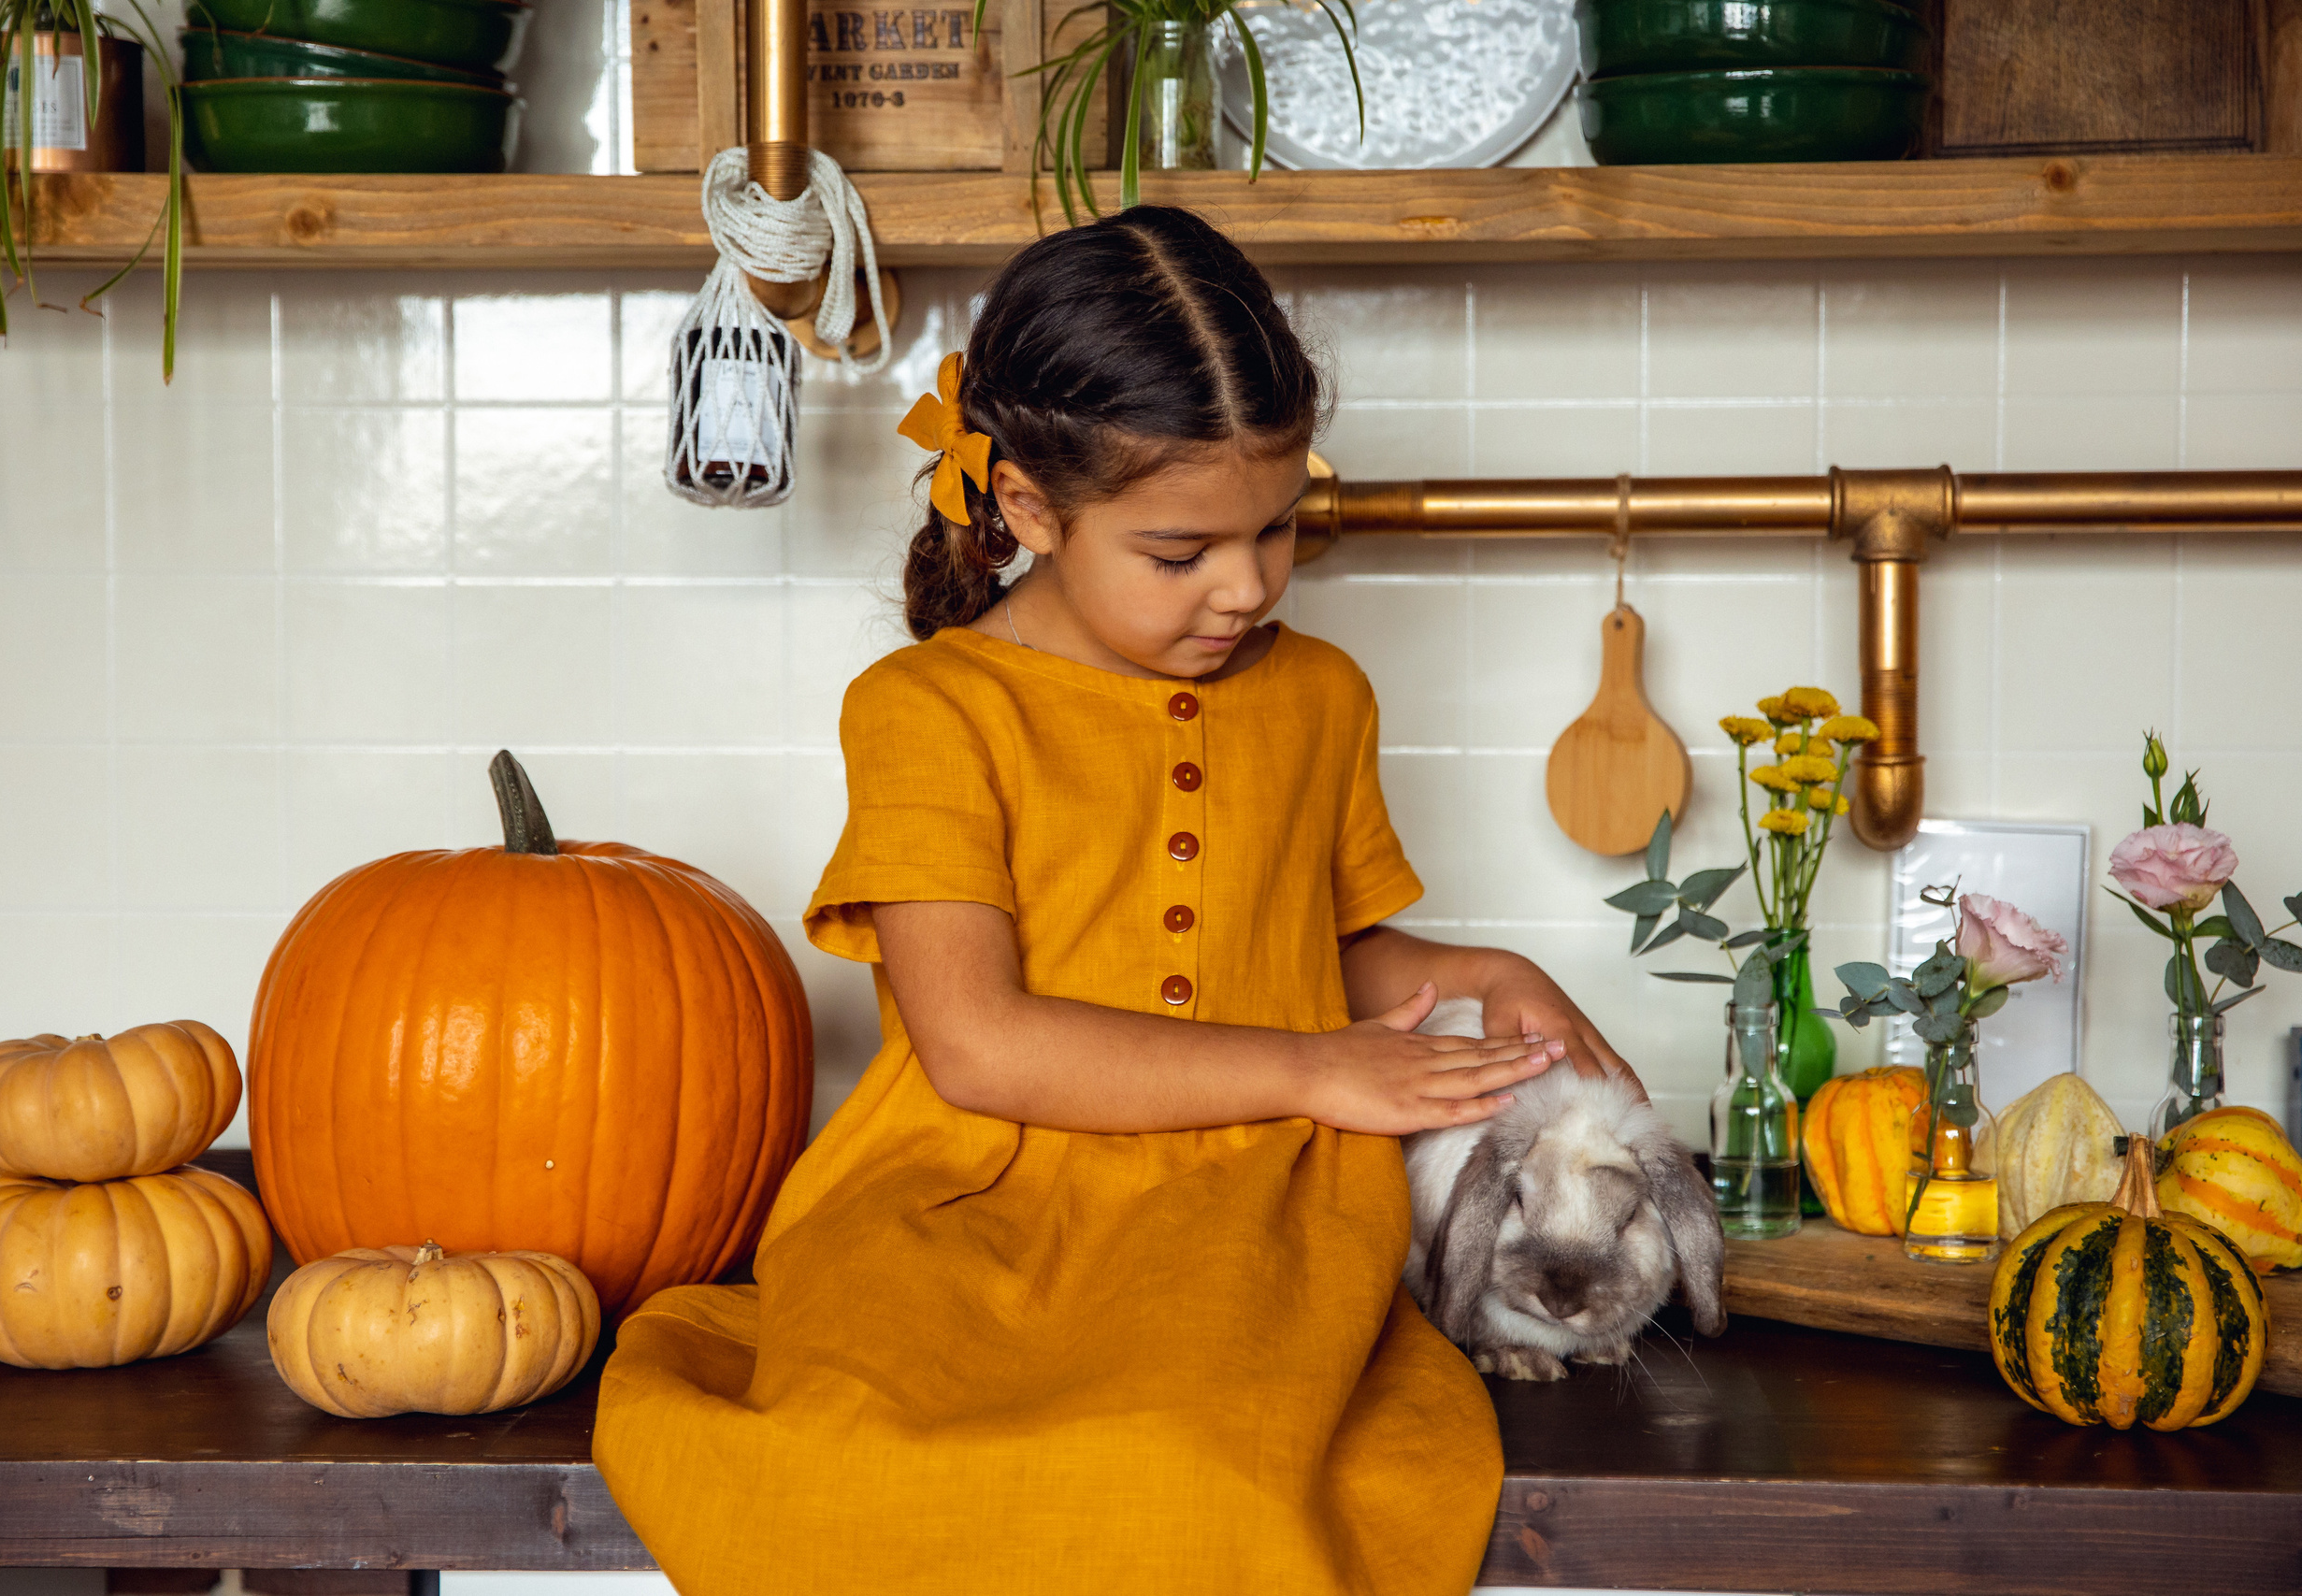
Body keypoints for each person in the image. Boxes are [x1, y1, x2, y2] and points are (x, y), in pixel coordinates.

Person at [595, 205, 1642, 1596]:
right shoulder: (928, 709)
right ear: (1029, 508)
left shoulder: (1323, 695)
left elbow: (1286, 954)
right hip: (956, 1201)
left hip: (1245, 1209)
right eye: (1180, 553)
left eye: (1278, 530)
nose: (1246, 586)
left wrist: (1477, 971)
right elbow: (979, 1043)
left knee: (1194, 1466)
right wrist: (1319, 1071)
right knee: (868, 1452)